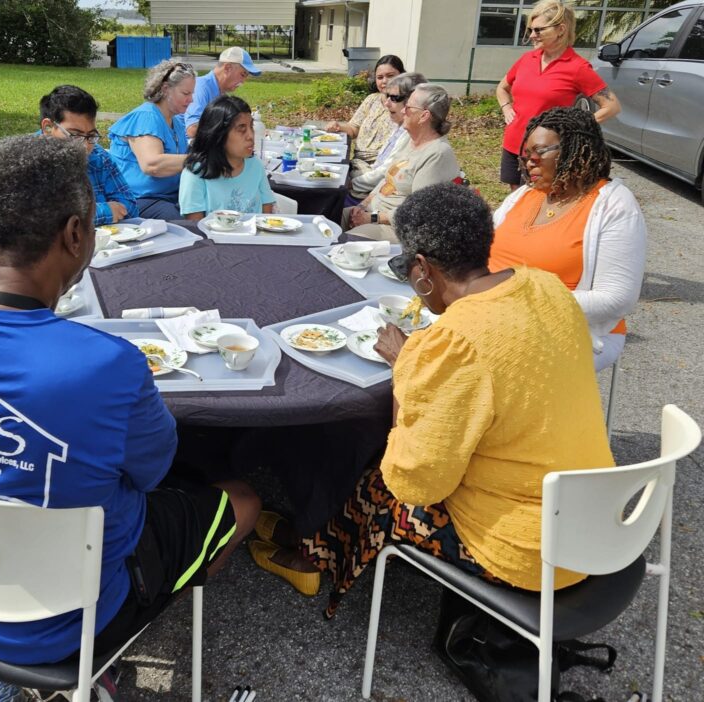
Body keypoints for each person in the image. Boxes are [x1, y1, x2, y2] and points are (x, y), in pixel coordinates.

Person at [0, 135, 260, 667]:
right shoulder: (107, 363)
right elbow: (152, 474)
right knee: (243, 499)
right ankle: (115, 652)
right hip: (75, 624)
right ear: (75, 233)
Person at [249, 183, 614, 618]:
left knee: (382, 477)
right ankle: (309, 540)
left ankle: (309, 557)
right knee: (395, 459)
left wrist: (409, 370)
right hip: (595, 523)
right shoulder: (547, 288)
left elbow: (415, 484)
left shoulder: (456, 340)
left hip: (531, 552)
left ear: (422, 268)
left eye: (406, 265)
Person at [490, 107, 646, 371]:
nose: (530, 162)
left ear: (576, 148)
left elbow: (616, 298)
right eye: (527, 154)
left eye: (540, 152)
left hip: (566, 329)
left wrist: (519, 303)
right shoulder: (523, 196)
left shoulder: (614, 206)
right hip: (494, 314)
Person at [495, 0, 621, 190]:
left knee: (538, 203)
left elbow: (612, 107)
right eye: (530, 29)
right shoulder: (527, 59)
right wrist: (506, 108)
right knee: (515, 201)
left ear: (560, 29)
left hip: (545, 152)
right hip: (513, 144)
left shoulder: (577, 67)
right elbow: (502, 88)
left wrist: (573, 129)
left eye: (538, 30)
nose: (532, 36)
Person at [344, 84, 459, 242]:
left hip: (398, 228)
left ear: (424, 116)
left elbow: (418, 211)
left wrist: (371, 218)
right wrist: (362, 206)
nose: (403, 110)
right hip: (373, 213)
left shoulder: (437, 154)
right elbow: (386, 180)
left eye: (409, 107)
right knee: (325, 217)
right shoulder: (410, 141)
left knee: (351, 241)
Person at [108, 59, 197, 220]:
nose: (191, 99)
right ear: (165, 89)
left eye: (192, 94)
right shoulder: (146, 116)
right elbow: (152, 164)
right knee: (181, 223)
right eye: (186, 93)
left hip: (167, 198)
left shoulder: (176, 121)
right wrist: (201, 160)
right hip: (138, 201)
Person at [38, 85, 138, 226]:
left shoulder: (99, 157)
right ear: (48, 128)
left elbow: (130, 207)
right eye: (74, 135)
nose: (85, 145)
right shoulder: (25, 162)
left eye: (91, 135)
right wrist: (104, 211)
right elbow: (45, 221)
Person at [179, 95, 276, 220]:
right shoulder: (196, 173)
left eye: (251, 127)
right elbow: (196, 227)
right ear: (219, 134)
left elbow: (266, 214)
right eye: (242, 129)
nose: (250, 136)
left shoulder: (255, 165)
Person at [326, 54, 406, 182]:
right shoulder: (372, 100)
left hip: (379, 168)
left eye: (390, 76)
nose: (384, 81)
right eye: (380, 77)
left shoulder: (405, 107)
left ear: (402, 76)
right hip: (357, 163)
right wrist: (339, 127)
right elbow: (354, 128)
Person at [346, 71, 426, 200]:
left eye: (394, 98)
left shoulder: (410, 134)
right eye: (387, 96)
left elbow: (386, 174)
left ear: (412, 102)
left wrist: (352, 184)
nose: (387, 103)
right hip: (372, 184)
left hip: (376, 192)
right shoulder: (400, 127)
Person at [184, 46, 261, 139]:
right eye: (243, 74)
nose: (243, 81)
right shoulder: (201, 87)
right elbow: (192, 129)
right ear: (227, 68)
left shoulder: (220, 93)